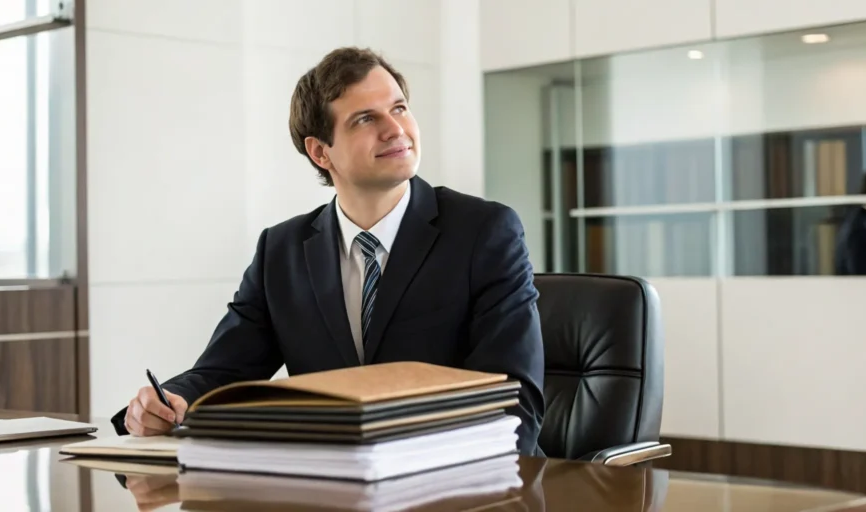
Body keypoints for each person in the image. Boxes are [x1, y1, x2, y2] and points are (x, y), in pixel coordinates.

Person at [110, 47, 546, 456]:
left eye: (398, 108)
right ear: (320, 152)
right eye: (364, 119)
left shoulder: (484, 232)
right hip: (331, 484)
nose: (395, 129)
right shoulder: (280, 251)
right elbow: (225, 371)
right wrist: (169, 402)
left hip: (466, 486)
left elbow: (513, 401)